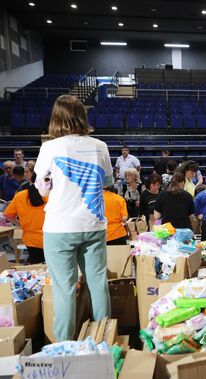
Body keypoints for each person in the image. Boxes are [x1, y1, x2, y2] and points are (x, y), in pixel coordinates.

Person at [34, 94, 113, 341]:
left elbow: (42, 188)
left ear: (56, 118)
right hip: (93, 224)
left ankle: (64, 347)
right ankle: (105, 338)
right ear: (82, 116)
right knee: (97, 283)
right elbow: (107, 182)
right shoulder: (100, 146)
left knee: (64, 289)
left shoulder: (49, 147)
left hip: (60, 226)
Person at [3, 175, 47, 263]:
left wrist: (19, 224)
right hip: (51, 238)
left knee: (37, 269)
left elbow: (7, 215)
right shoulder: (50, 195)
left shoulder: (20, 195)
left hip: (31, 239)